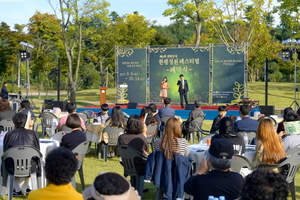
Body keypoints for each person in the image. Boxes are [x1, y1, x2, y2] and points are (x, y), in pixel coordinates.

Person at [3, 113, 40, 196]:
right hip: (31, 166)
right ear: (26, 122)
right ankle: (27, 187)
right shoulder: (33, 134)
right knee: (31, 161)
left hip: (13, 167)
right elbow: (38, 151)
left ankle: (17, 189)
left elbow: (5, 153)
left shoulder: (9, 134)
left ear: (14, 123)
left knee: (10, 161)